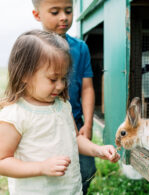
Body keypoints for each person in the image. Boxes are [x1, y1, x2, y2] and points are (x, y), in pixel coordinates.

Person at [0, 30, 120, 195]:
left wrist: (97, 150)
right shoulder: (15, 114)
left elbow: (75, 139)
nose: (61, 85)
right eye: (53, 79)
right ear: (25, 75)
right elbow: (2, 161)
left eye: (63, 78)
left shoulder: (63, 105)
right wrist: (41, 167)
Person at [31, 1, 96, 193]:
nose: (63, 17)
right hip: (41, 124)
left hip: (74, 120)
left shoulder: (80, 48)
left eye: (68, 11)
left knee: (86, 169)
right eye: (55, 12)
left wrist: (89, 123)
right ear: (37, 15)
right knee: (49, 174)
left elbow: (87, 88)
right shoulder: (32, 47)